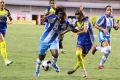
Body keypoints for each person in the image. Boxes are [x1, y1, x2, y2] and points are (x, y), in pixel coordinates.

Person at [35, 6, 73, 78]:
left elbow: (70, 28)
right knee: (41, 57)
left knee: (55, 54)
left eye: (63, 15)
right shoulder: (53, 19)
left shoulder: (66, 22)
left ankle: (53, 64)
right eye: (60, 16)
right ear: (58, 15)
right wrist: (45, 17)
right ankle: (37, 70)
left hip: (54, 40)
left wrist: (63, 34)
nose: (62, 17)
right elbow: (44, 19)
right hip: (45, 40)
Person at [66, 10, 94, 77]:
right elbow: (70, 28)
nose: (77, 19)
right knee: (78, 54)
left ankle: (74, 69)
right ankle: (84, 71)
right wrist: (62, 33)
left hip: (89, 42)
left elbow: (85, 30)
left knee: (81, 58)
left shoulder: (86, 21)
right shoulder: (76, 22)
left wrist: (76, 33)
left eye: (79, 18)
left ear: (82, 16)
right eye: (76, 18)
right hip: (81, 40)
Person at [92, 5, 119, 69]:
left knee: (108, 52)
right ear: (105, 11)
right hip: (102, 35)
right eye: (108, 10)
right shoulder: (103, 18)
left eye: (111, 10)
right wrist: (103, 29)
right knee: (108, 49)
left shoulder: (112, 18)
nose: (110, 11)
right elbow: (96, 25)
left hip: (108, 36)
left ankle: (100, 65)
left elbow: (116, 28)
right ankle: (96, 48)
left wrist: (118, 25)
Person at [0, 0, 13, 66]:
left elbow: (11, 19)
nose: (2, 3)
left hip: (3, 29)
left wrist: (9, 22)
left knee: (2, 45)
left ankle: (5, 60)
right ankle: (6, 60)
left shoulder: (7, 11)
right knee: (3, 43)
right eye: (1, 2)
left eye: (3, 2)